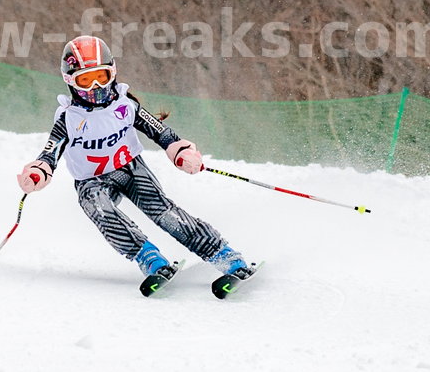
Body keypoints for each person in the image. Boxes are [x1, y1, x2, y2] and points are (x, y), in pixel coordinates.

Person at [16, 35, 255, 296]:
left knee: (163, 212)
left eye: (101, 76)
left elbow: (162, 134)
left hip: (131, 169)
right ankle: (150, 259)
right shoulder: (69, 117)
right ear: (70, 82)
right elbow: (50, 152)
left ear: (113, 73)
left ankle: (224, 255)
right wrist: (37, 172)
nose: (95, 86)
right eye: (85, 79)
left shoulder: (125, 105)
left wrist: (182, 153)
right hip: (91, 180)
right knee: (99, 209)